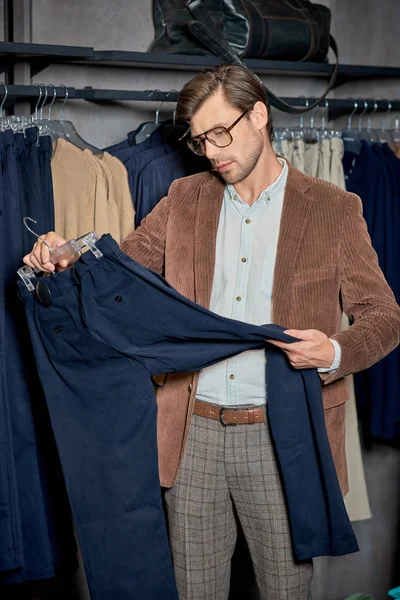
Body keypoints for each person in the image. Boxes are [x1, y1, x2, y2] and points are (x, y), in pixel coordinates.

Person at [24, 65, 400, 600]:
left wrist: (334, 350)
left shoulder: (335, 209)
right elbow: (119, 277)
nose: (211, 150)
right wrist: (64, 256)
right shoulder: (184, 199)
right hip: (191, 435)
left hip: (282, 434)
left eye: (221, 132)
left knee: (285, 592)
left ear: (260, 115)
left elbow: (386, 318)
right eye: (200, 139)